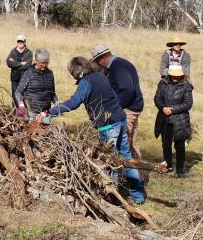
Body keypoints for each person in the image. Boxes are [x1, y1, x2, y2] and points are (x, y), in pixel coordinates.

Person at [36, 56, 145, 204]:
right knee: (126, 159)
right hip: (120, 118)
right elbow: (113, 96)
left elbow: (74, 103)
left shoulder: (86, 82)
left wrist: (49, 112)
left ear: (77, 71)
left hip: (108, 125)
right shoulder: (101, 76)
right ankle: (138, 196)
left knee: (109, 163)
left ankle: (113, 199)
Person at [92, 44, 144, 159]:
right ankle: (139, 172)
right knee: (131, 141)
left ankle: (130, 172)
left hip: (128, 108)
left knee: (124, 142)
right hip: (132, 106)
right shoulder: (115, 66)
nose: (98, 64)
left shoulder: (118, 66)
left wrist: (116, 107)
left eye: (97, 61)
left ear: (103, 57)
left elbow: (127, 90)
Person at [154, 65, 194, 178]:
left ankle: (180, 169)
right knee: (166, 144)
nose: (175, 78)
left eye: (178, 76)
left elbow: (188, 104)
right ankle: (168, 165)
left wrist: (172, 110)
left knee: (180, 145)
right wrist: (163, 108)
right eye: (173, 76)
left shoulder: (186, 86)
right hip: (164, 118)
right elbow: (157, 98)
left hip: (179, 119)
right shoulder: (162, 83)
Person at [15, 48, 57, 120]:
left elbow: (52, 93)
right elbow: (18, 91)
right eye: (42, 63)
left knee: (45, 130)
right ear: (36, 61)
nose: (44, 65)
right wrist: (21, 106)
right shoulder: (29, 73)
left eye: (46, 62)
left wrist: (57, 103)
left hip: (46, 113)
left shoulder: (50, 74)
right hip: (31, 112)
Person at [7, 34, 33, 106]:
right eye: (18, 41)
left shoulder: (29, 52)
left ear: (25, 42)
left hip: (25, 77)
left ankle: (25, 112)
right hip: (15, 78)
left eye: (21, 41)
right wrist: (21, 63)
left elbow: (27, 65)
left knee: (24, 95)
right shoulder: (13, 51)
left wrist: (15, 64)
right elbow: (9, 63)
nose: (20, 43)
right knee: (15, 95)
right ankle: (14, 112)